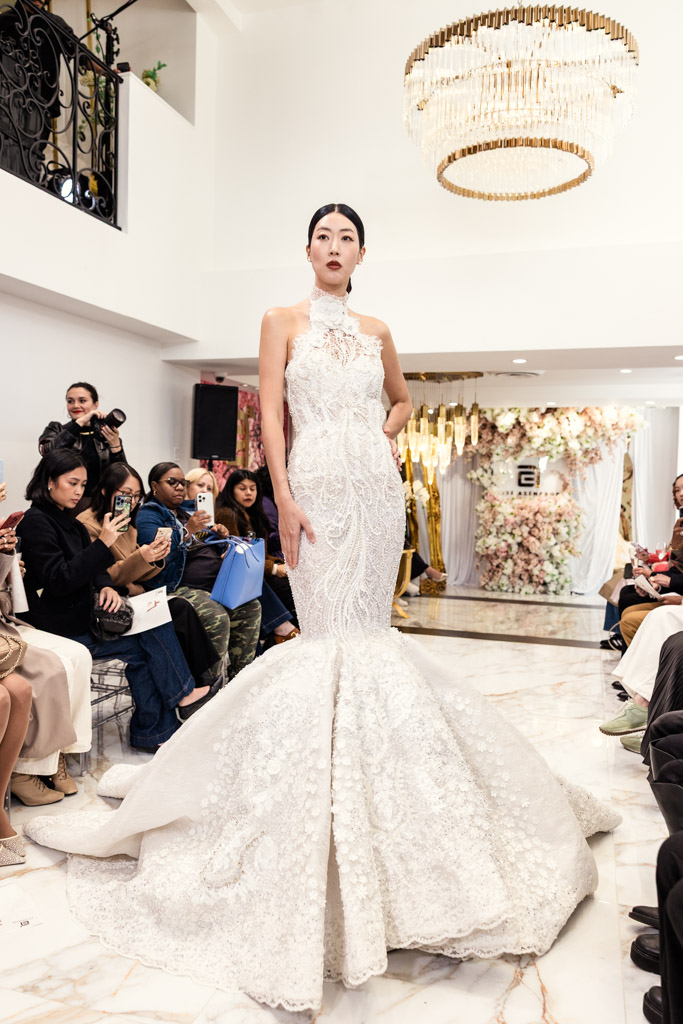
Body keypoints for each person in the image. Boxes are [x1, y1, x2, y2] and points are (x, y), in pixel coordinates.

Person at [24, 204, 620, 1012]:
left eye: (347, 238)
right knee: (326, 637)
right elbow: (268, 415)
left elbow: (403, 400)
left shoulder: (377, 328)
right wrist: (287, 497)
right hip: (313, 491)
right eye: (322, 236)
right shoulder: (281, 320)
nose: (333, 247)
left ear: (362, 251)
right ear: (307, 250)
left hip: (374, 493)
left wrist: (382, 434)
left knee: (369, 635)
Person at [16, 451, 219, 753]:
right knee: (151, 635)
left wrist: (105, 586)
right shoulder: (36, 523)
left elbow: (95, 570)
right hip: (60, 628)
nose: (78, 491)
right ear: (49, 482)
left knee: (153, 627)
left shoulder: (68, 522)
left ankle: (155, 729)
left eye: (82, 484)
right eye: (72, 483)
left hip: (87, 616)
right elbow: (59, 580)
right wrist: (104, 544)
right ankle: (174, 704)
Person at [79, 463, 221, 686]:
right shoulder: (89, 525)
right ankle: (195, 688)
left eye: (136, 495)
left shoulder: (128, 522)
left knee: (181, 609)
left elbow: (138, 574)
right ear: (106, 490)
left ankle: (204, 682)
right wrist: (143, 559)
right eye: (125, 494)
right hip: (109, 603)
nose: (132, 501)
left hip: (133, 593)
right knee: (178, 611)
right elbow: (104, 575)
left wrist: (152, 557)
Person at [136, 463, 261, 679]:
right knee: (216, 616)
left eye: (182, 483)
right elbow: (157, 553)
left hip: (214, 583)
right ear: (155, 486)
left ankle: (238, 682)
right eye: (171, 482)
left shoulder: (185, 512)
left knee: (251, 606)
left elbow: (203, 544)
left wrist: (220, 538)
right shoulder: (150, 514)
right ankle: (210, 688)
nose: (179, 488)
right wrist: (187, 531)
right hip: (179, 587)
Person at [215, 468, 299, 644]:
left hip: (256, 570)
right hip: (236, 573)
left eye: (253, 489)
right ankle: (284, 631)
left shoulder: (255, 514)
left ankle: (285, 634)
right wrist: (275, 568)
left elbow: (262, 552)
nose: (248, 493)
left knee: (293, 584)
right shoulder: (227, 513)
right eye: (242, 488)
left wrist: (279, 565)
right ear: (231, 490)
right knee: (287, 589)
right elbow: (238, 554)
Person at [39, 382, 127, 506]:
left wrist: (115, 446)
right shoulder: (56, 429)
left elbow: (122, 476)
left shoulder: (106, 434)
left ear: (95, 404)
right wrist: (79, 423)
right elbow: (48, 453)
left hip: (99, 503)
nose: (75, 405)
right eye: (70, 401)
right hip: (62, 502)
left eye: (82, 401)